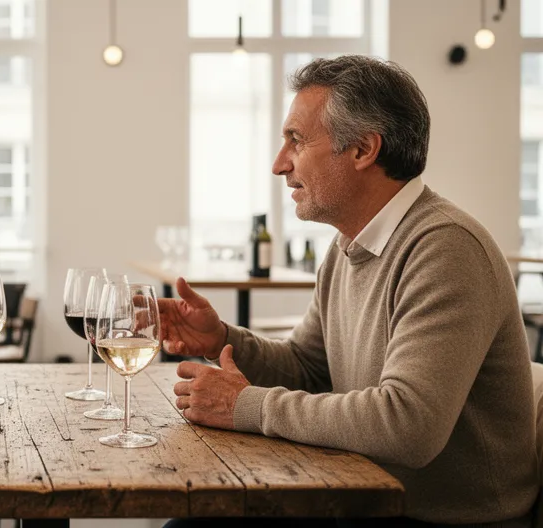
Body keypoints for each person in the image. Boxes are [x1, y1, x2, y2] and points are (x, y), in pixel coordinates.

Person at [162, 55, 539, 526]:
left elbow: (408, 427)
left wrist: (246, 406)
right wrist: (220, 339)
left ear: (363, 149)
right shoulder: (349, 247)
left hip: (442, 520)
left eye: (296, 141)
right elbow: (309, 368)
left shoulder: (446, 249)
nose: (280, 165)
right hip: (359, 495)